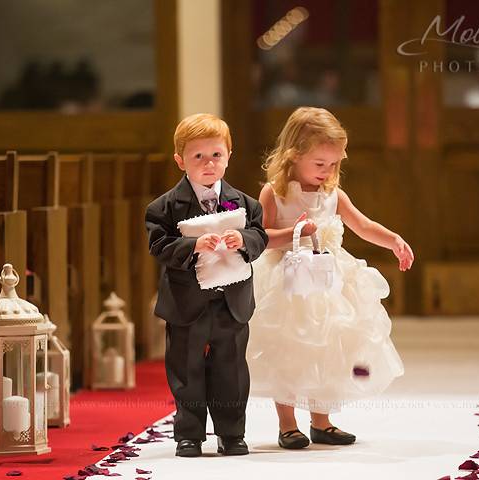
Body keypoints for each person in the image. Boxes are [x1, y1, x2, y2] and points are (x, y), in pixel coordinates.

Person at [247, 106, 414, 449]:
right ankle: (288, 423)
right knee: (289, 348)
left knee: (329, 346)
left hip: (328, 282)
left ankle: (322, 420)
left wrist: (394, 240)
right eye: (320, 164)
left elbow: (363, 225)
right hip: (288, 282)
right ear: (293, 156)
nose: (327, 171)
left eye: (334, 164)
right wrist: (295, 231)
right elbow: (260, 237)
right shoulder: (274, 193)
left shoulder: (333, 195)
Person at [145, 113, 268, 458]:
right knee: (186, 370)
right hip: (188, 302)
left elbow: (260, 236)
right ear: (180, 160)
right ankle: (189, 434)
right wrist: (192, 246)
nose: (208, 163)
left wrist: (242, 238)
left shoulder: (245, 203)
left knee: (231, 368)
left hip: (231, 300)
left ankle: (231, 433)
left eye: (216, 154)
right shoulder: (163, 207)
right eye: (198, 156)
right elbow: (159, 246)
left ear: (229, 155)